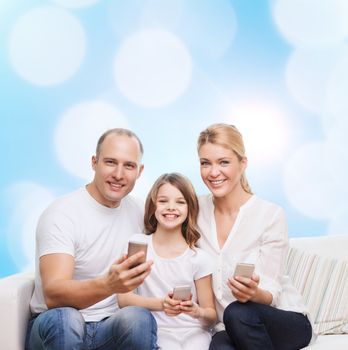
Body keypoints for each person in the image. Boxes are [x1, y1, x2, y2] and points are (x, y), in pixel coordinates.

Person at [26, 128, 157, 350]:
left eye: (129, 166)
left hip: (108, 328)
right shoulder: (62, 213)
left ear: (140, 171)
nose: (118, 174)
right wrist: (108, 284)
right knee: (67, 320)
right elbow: (54, 294)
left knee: (138, 318)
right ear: (94, 162)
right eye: (110, 162)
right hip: (56, 325)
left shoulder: (140, 211)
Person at [196, 123, 314, 350]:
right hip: (228, 326)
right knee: (218, 346)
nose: (213, 172)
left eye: (223, 162)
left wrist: (254, 293)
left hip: (283, 319)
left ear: (243, 164)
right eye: (205, 163)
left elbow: (272, 292)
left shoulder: (269, 215)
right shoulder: (194, 211)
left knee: (238, 312)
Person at [118, 173, 217, 350]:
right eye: (163, 201)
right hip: (158, 330)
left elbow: (210, 314)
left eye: (180, 202)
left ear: (189, 209)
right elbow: (124, 299)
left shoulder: (199, 258)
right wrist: (161, 305)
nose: (171, 208)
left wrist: (197, 311)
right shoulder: (139, 245)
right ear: (153, 206)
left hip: (194, 331)